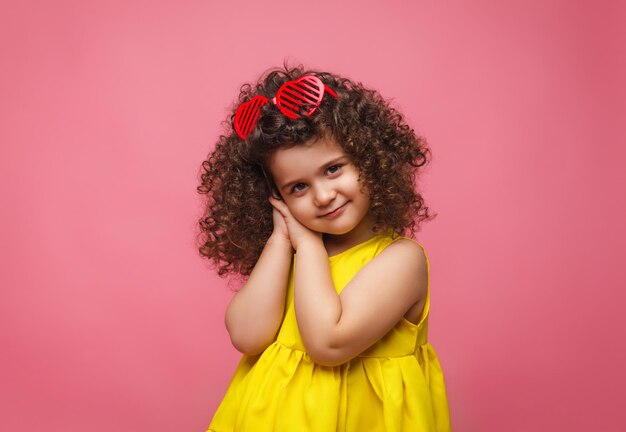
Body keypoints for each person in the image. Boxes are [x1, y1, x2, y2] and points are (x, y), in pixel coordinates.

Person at [196, 62, 451, 431]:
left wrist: (307, 245)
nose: (323, 195)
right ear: (274, 197)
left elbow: (328, 342)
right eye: (297, 187)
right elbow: (247, 335)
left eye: (333, 169)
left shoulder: (401, 260)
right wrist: (281, 239)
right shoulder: (288, 253)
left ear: (369, 157)